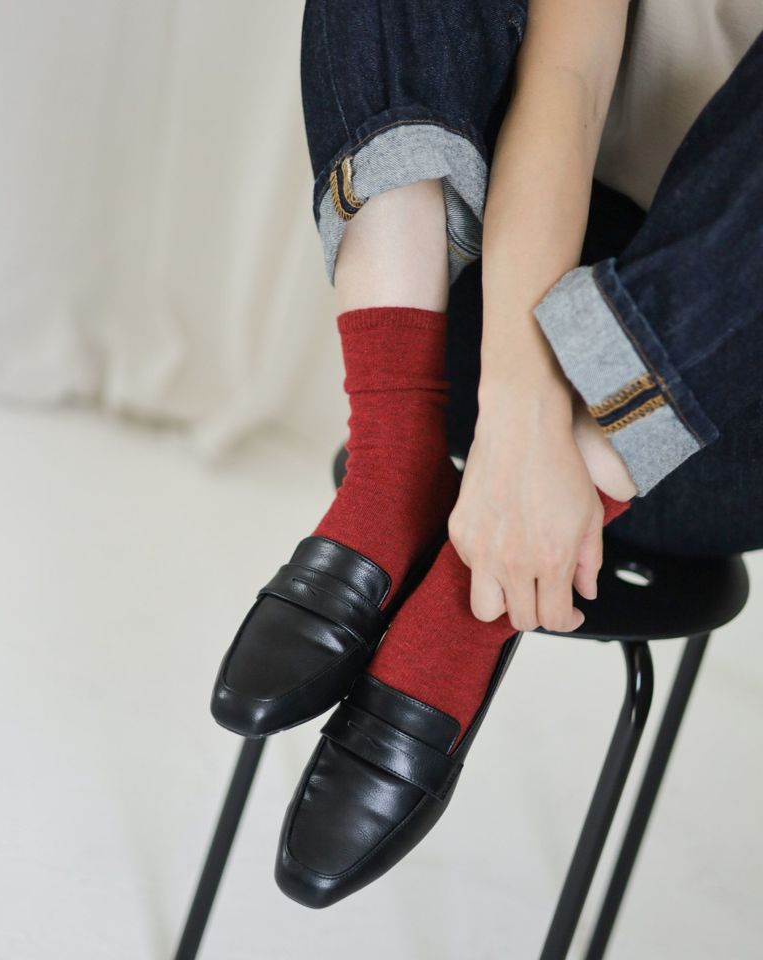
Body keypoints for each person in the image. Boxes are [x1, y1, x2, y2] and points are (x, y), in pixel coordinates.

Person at [211, 0, 763, 907]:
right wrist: (517, 416)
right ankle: (396, 459)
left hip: (716, 425)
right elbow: (565, 81)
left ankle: (466, 608)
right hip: (506, 300)